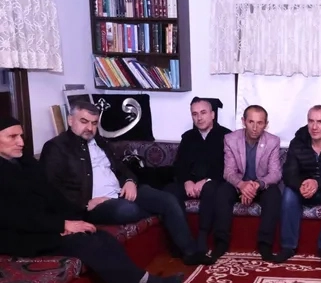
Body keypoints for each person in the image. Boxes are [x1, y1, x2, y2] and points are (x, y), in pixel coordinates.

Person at [0, 117, 182, 283]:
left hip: (46, 225)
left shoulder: (25, 162)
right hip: (21, 236)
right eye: (12, 137)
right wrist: (61, 225)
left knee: (102, 236)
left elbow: (52, 196)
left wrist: (81, 211)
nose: (21, 142)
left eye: (21, 136)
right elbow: (15, 217)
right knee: (87, 243)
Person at [39, 101, 210, 266]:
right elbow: (52, 189)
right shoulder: (56, 148)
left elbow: (121, 167)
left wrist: (129, 181)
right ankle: (171, 228)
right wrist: (84, 204)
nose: (90, 128)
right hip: (96, 204)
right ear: (70, 120)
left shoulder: (99, 141)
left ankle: (190, 252)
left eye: (94, 123)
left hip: (121, 191)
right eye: (84, 121)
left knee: (168, 199)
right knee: (128, 210)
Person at [274, 105, 321, 266]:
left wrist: (318, 183)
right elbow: (289, 174)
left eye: (320, 122)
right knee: (288, 193)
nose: (314, 127)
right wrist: (301, 185)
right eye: (311, 121)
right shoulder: (297, 143)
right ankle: (288, 247)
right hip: (304, 188)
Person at [215, 105, 282, 262]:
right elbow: (228, 172)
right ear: (243, 121)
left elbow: (275, 174)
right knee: (222, 192)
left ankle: (265, 244)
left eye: (260, 123)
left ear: (266, 124)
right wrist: (242, 185)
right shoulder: (230, 139)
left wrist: (256, 185)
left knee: (274, 194)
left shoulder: (273, 141)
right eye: (251, 122)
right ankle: (221, 242)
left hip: (261, 185)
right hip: (238, 184)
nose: (255, 127)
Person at [165, 97, 231, 254]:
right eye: (195, 114)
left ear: (212, 114)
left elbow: (228, 166)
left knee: (211, 189)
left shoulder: (227, 136)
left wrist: (206, 180)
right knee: (169, 192)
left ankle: (202, 237)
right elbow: (179, 165)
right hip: (190, 182)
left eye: (203, 113)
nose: (199, 118)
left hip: (214, 181)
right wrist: (187, 181)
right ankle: (181, 240)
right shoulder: (188, 137)